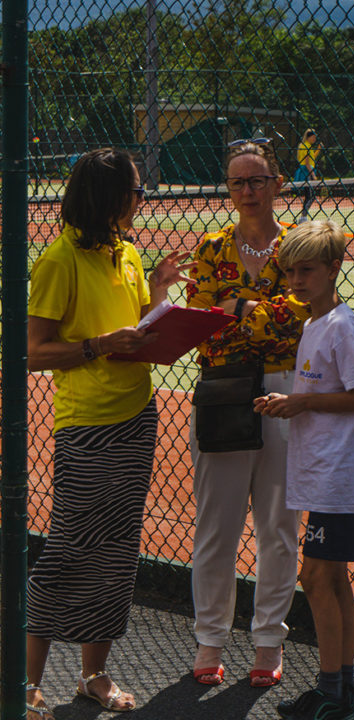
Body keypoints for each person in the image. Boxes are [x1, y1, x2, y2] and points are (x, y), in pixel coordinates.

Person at [26, 148, 190, 720]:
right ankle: (25, 683)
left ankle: (92, 674)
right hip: (87, 424)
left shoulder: (129, 254)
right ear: (107, 198)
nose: (142, 200)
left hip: (137, 414)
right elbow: (33, 352)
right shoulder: (58, 261)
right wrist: (99, 345)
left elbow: (140, 325)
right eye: (136, 191)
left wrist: (161, 293)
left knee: (119, 550)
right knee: (69, 549)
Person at [185, 138, 310, 688]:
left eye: (257, 179)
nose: (247, 190)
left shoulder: (298, 246)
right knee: (217, 527)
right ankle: (210, 639)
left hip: (287, 389)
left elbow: (303, 316)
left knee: (279, 528)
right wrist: (262, 311)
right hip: (225, 389)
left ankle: (268, 642)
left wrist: (236, 309)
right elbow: (199, 317)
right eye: (237, 181)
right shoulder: (210, 247)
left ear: (277, 184)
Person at [255, 220, 354, 720]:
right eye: (289, 272)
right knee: (331, 581)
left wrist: (301, 403)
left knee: (317, 576)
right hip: (322, 471)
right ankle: (340, 690)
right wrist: (294, 403)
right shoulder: (312, 322)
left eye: (306, 271)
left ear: (334, 269)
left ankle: (335, 692)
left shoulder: (342, 326)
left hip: (340, 474)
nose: (294, 281)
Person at [294, 128, 323, 220]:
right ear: (309, 137)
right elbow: (307, 163)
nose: (314, 139)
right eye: (313, 137)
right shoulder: (307, 146)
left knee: (308, 195)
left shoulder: (304, 145)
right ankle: (303, 217)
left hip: (305, 171)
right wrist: (313, 174)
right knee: (310, 196)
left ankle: (303, 216)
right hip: (307, 172)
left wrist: (318, 149)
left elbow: (312, 158)